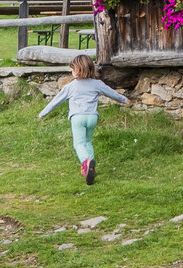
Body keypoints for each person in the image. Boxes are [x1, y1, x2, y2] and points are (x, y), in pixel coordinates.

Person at [38, 54, 129, 184]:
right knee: (88, 142)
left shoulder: (71, 86)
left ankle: (86, 163)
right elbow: (111, 93)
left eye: (73, 69)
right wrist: (124, 100)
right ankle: (91, 169)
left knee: (79, 144)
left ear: (78, 70)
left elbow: (56, 101)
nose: (71, 71)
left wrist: (43, 113)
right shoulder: (97, 84)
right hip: (92, 117)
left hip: (78, 118)